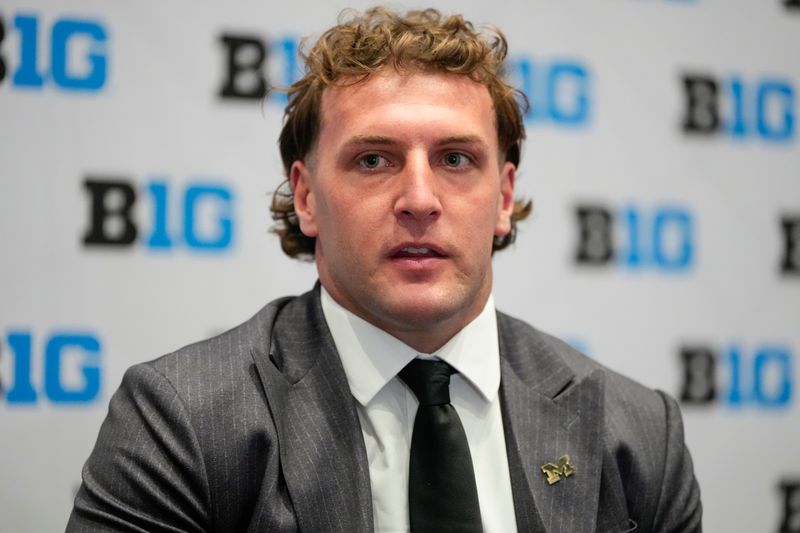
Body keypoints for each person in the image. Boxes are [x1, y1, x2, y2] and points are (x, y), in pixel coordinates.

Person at [67, 7, 702, 533]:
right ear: (308, 197)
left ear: (503, 198)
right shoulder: (182, 420)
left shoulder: (637, 430)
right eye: (373, 160)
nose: (420, 200)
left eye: (456, 159)